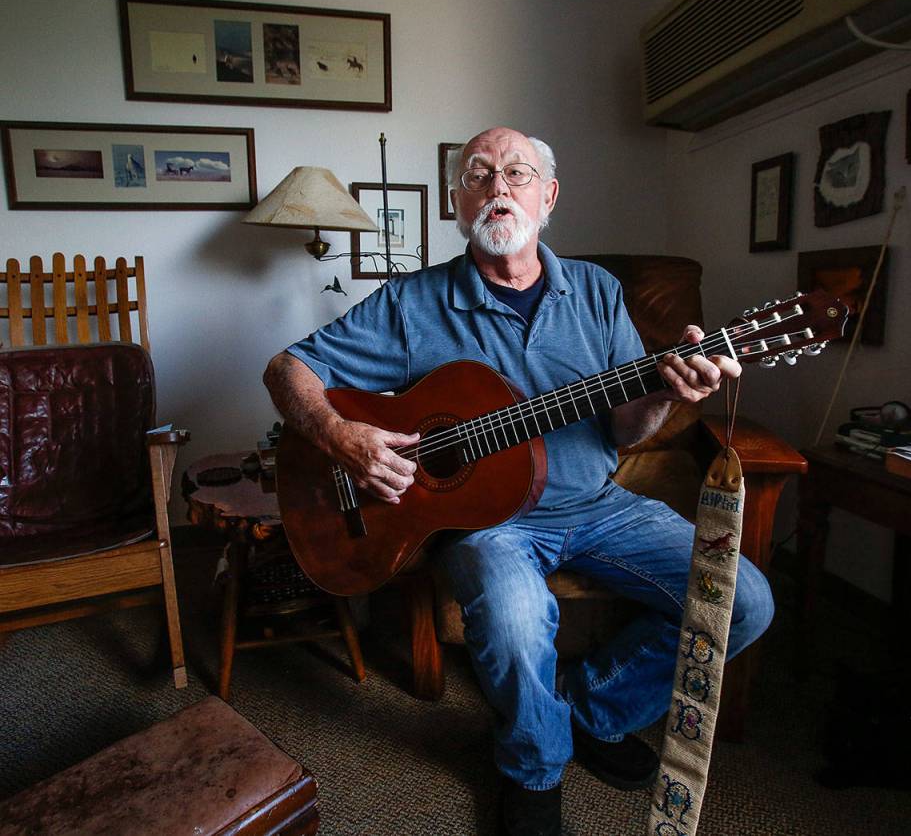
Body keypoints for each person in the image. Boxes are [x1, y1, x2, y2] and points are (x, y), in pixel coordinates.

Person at [264, 127, 774, 836]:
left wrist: (668, 394)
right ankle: (532, 764)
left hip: (599, 506)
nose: (497, 187)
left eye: (517, 173)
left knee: (745, 600)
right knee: (512, 620)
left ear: (549, 195)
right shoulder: (413, 302)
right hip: (488, 526)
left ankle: (590, 712)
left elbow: (627, 429)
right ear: (455, 202)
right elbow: (288, 369)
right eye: (478, 175)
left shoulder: (598, 292)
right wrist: (336, 433)